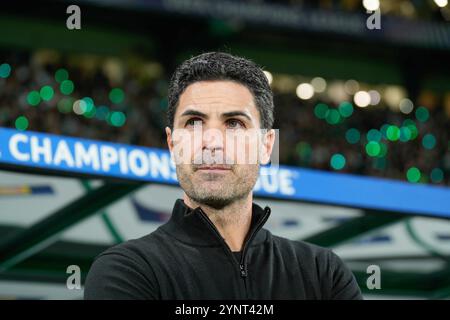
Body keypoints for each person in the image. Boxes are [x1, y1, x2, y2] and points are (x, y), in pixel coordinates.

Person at [84, 52, 363, 300]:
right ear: (172, 144)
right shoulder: (126, 270)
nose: (212, 142)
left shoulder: (323, 274)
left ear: (267, 146)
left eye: (234, 123)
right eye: (193, 123)